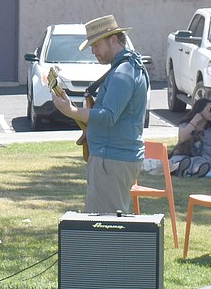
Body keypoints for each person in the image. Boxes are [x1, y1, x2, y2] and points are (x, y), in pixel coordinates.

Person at [51, 15, 150, 213]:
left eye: (96, 44)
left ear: (113, 39)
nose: (93, 51)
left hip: (112, 159)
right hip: (113, 158)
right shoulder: (126, 68)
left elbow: (108, 116)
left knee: (105, 227)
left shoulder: (123, 72)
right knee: (106, 225)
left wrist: (71, 111)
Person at [169, 98, 211, 177]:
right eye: (210, 110)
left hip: (205, 159)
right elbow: (183, 138)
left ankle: (195, 172)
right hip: (185, 156)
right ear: (199, 110)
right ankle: (180, 170)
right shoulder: (186, 124)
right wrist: (195, 121)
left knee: (199, 163)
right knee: (179, 160)